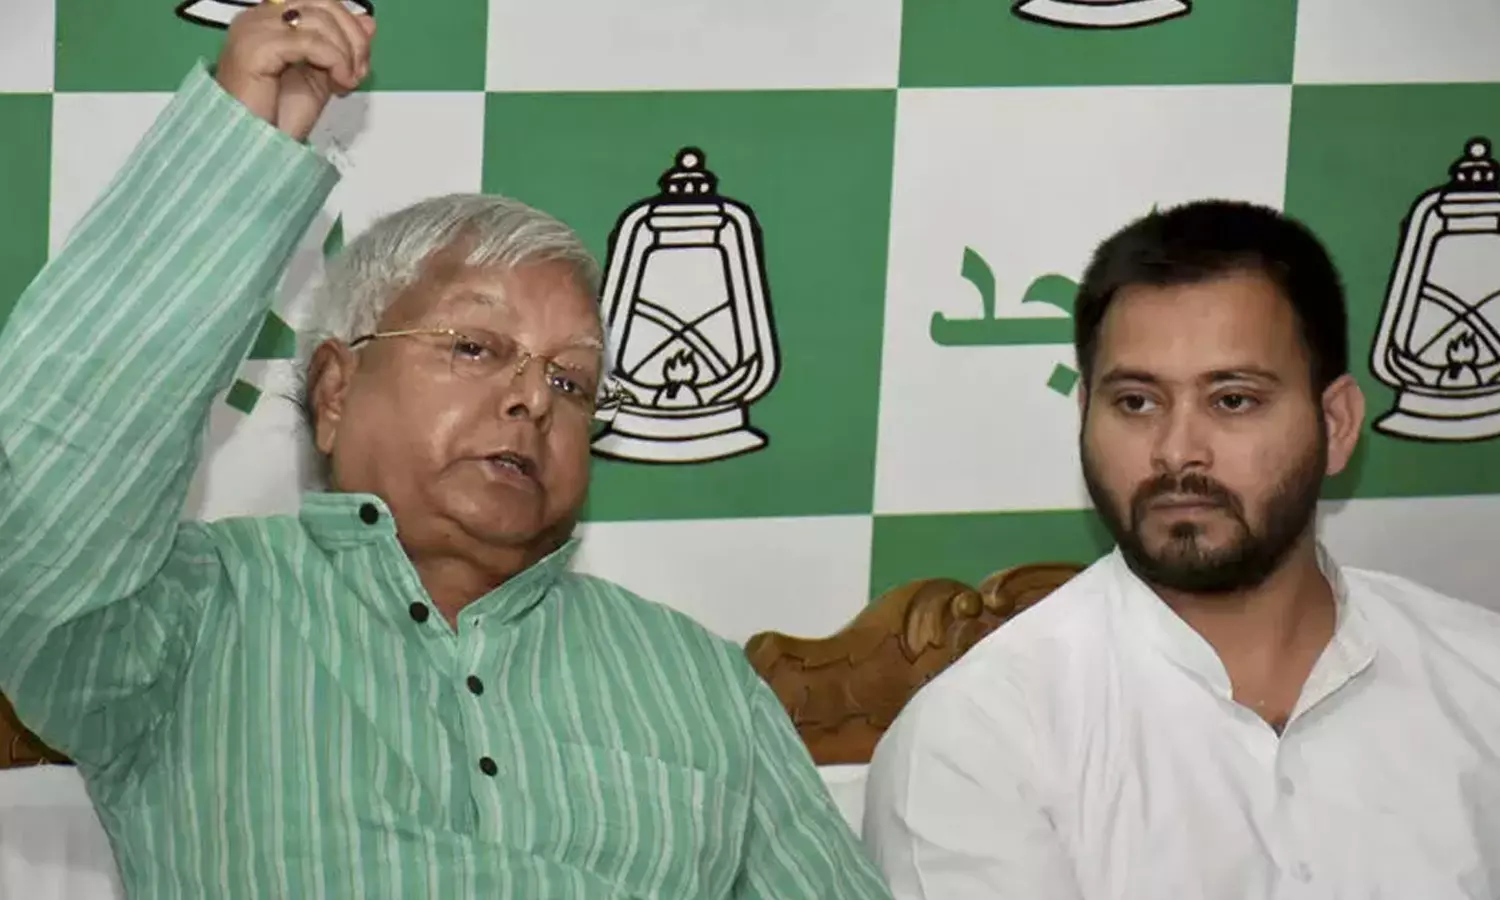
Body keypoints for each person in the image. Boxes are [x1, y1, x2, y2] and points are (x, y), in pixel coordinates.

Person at [0, 4, 892, 898]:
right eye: (475, 347)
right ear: (336, 392)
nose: (532, 398)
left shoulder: (696, 682)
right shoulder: (181, 620)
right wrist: (238, 152)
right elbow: (47, 492)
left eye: (572, 382)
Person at [859, 199, 1500, 898]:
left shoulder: (1479, 678)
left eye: (1232, 400)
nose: (1176, 451)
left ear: (1337, 424)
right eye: (1137, 402)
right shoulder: (979, 739)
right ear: (1084, 416)